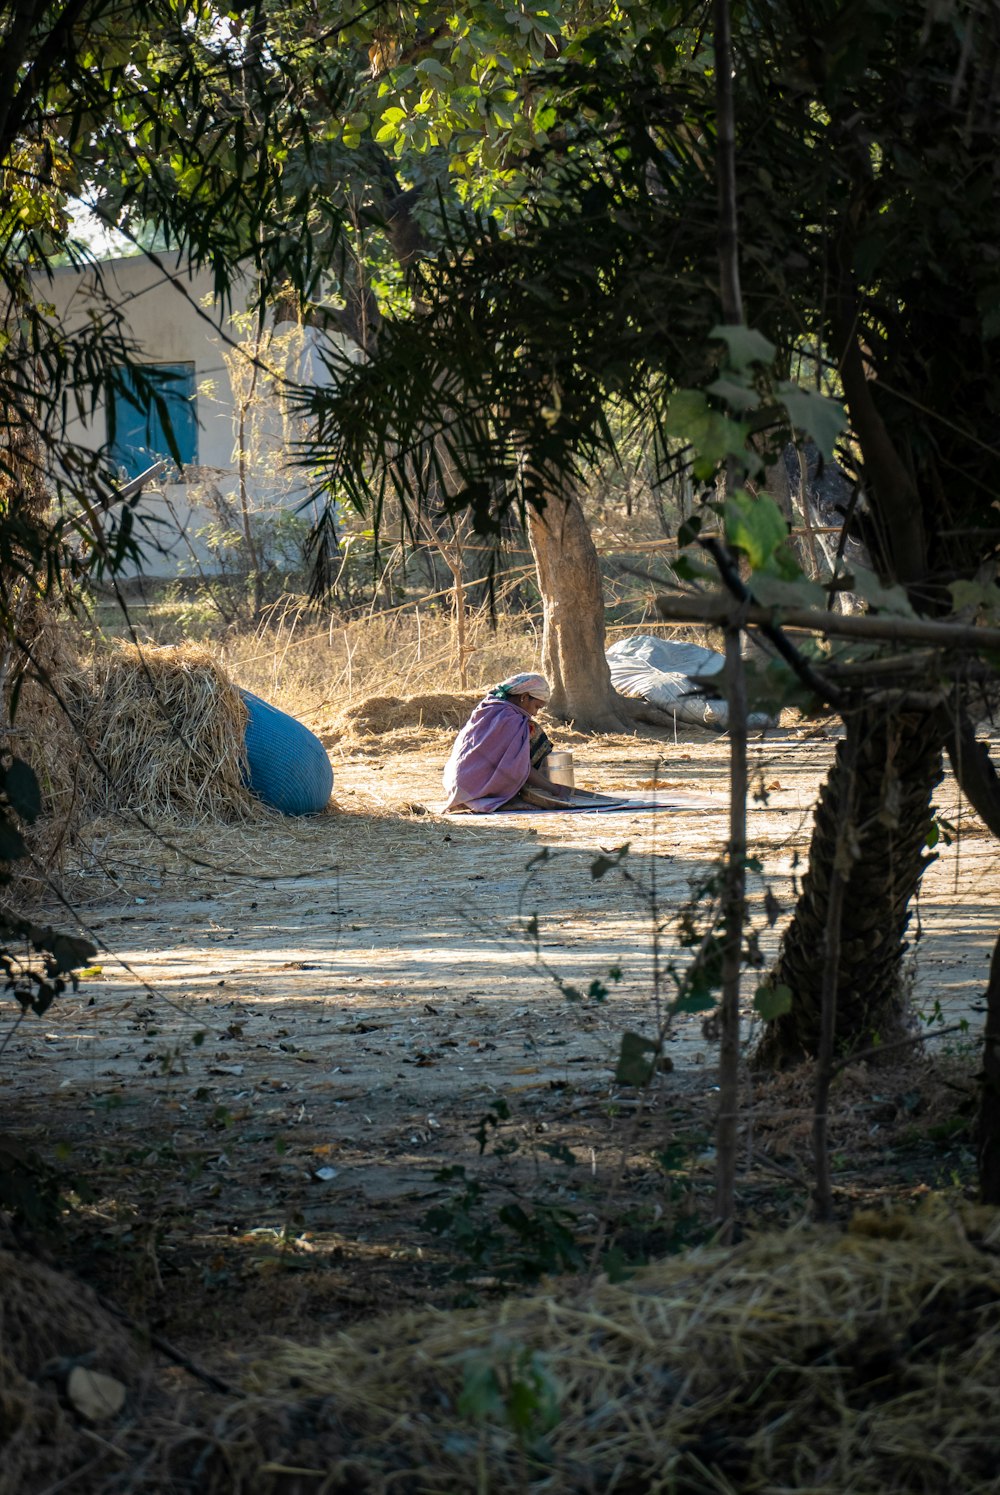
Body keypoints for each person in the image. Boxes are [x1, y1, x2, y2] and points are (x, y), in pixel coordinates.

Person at [442, 671, 570, 812]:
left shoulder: (489, 707)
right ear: (524, 697)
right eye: (537, 707)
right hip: (473, 786)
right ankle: (506, 799)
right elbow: (516, 768)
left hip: (457, 784)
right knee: (535, 734)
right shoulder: (511, 720)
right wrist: (554, 789)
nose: (535, 713)